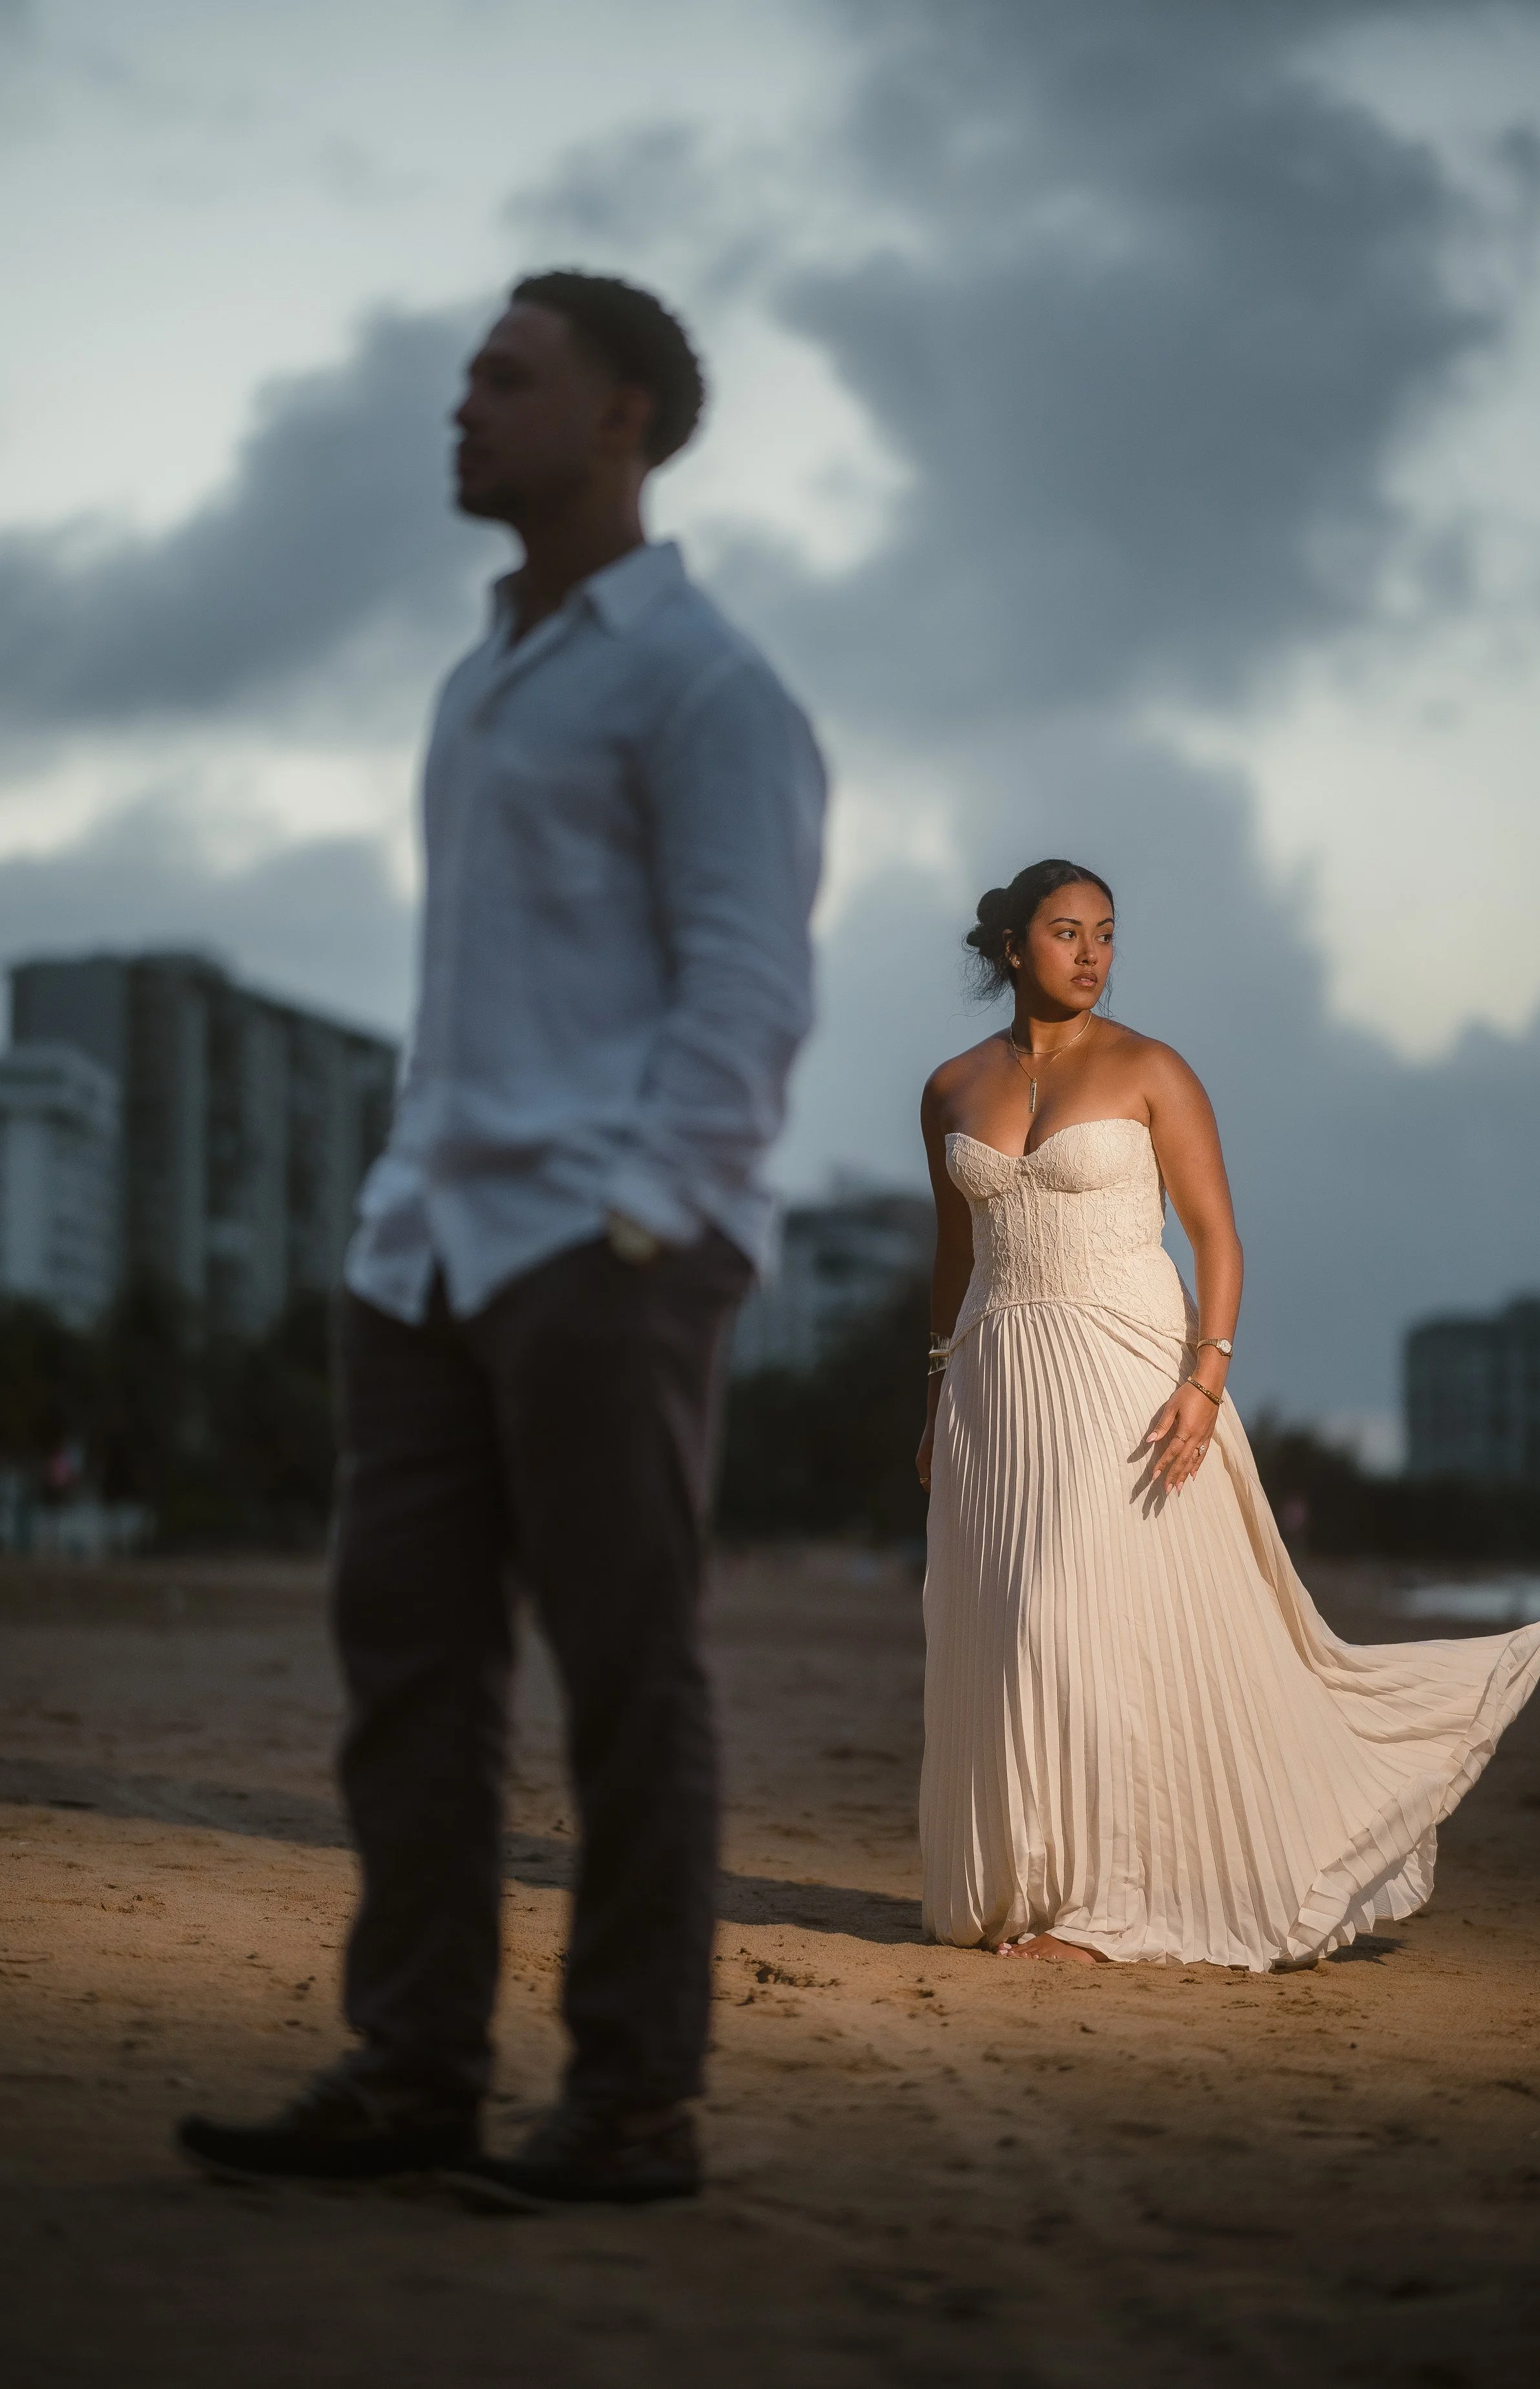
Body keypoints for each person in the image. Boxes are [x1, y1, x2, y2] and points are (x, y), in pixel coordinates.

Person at [178, 272, 825, 2200]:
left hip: (598, 1255)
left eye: (504, 374)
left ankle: (633, 2102)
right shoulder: (480, 681)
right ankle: (413, 2074)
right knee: (412, 1676)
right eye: (466, 374)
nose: (461, 403)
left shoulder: (707, 684)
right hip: (424, 1256)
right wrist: (399, 1208)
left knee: (629, 1678)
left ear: (623, 415)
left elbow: (745, 990)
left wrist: (635, 1225)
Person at [917, 857, 1540, 1970]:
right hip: (999, 1380)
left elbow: (1218, 1239)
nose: (1092, 954)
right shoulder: (950, 1088)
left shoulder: (1153, 1069)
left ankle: (1102, 1902)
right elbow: (952, 1254)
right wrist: (936, 1390)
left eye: (1108, 934)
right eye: (1068, 932)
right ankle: (1031, 1877)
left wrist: (1205, 1380)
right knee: (1011, 1622)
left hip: (1130, 1370)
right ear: (1014, 947)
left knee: (1080, 1626)